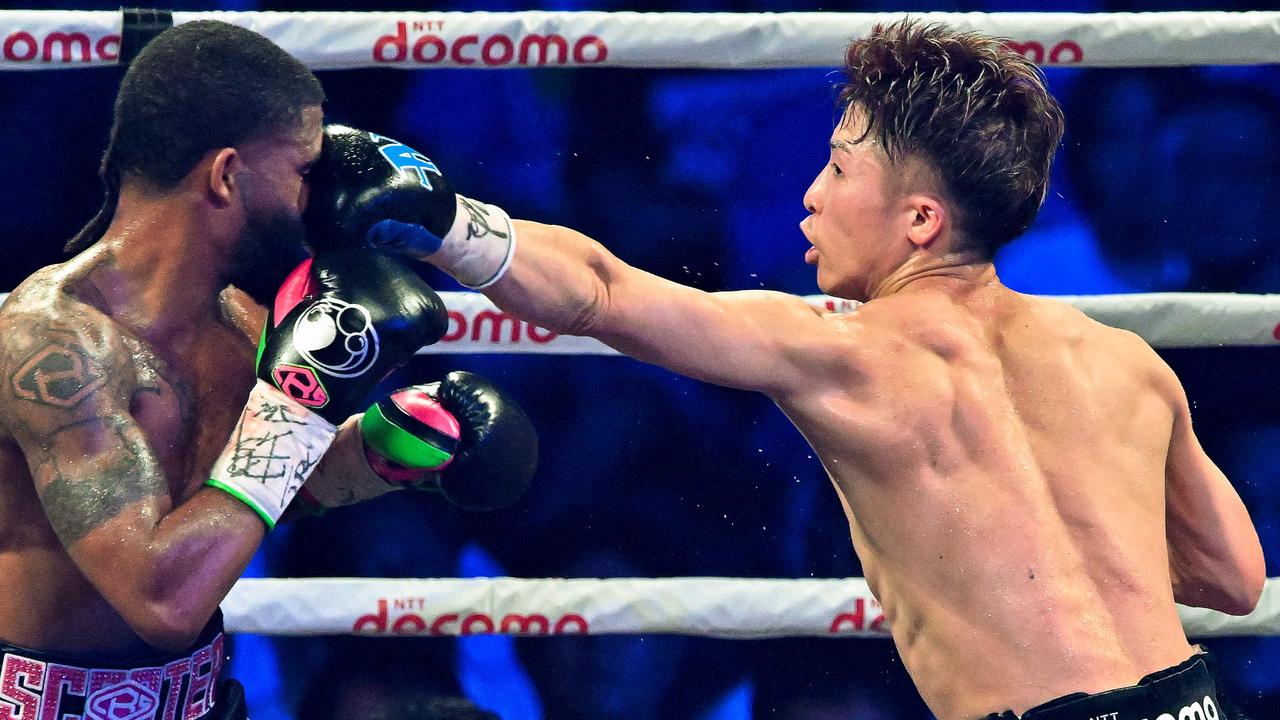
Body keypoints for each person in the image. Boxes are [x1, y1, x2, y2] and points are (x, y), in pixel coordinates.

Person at [303, 19, 1266, 720]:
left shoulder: (842, 349)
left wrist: (445, 221)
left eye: (840, 170)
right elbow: (1233, 575)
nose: (807, 197)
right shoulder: (1127, 361)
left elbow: (600, 293)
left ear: (920, 220)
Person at [0, 21, 535, 720]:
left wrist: (392, 446)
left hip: (204, 701)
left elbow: (255, 496)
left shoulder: (246, 319)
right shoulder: (54, 346)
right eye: (303, 172)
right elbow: (163, 597)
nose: (320, 199)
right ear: (225, 175)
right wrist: (303, 402)